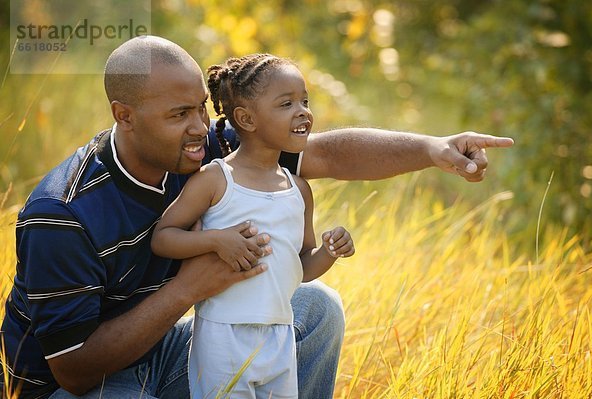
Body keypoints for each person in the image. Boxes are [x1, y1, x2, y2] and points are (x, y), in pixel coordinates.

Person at [0, 35, 513, 399]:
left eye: (202, 107)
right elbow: (72, 370)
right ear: (124, 116)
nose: (201, 127)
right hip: (78, 387)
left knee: (316, 308)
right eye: (180, 115)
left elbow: (329, 155)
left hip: (160, 347)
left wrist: (432, 148)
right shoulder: (61, 214)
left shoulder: (201, 155)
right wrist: (187, 289)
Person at [151, 53, 355, 398]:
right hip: (222, 337)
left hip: (279, 335)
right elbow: (163, 238)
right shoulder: (215, 179)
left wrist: (328, 252)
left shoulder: (298, 189)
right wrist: (216, 241)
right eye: (286, 103)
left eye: (304, 101)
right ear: (246, 118)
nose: (303, 111)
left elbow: (301, 267)